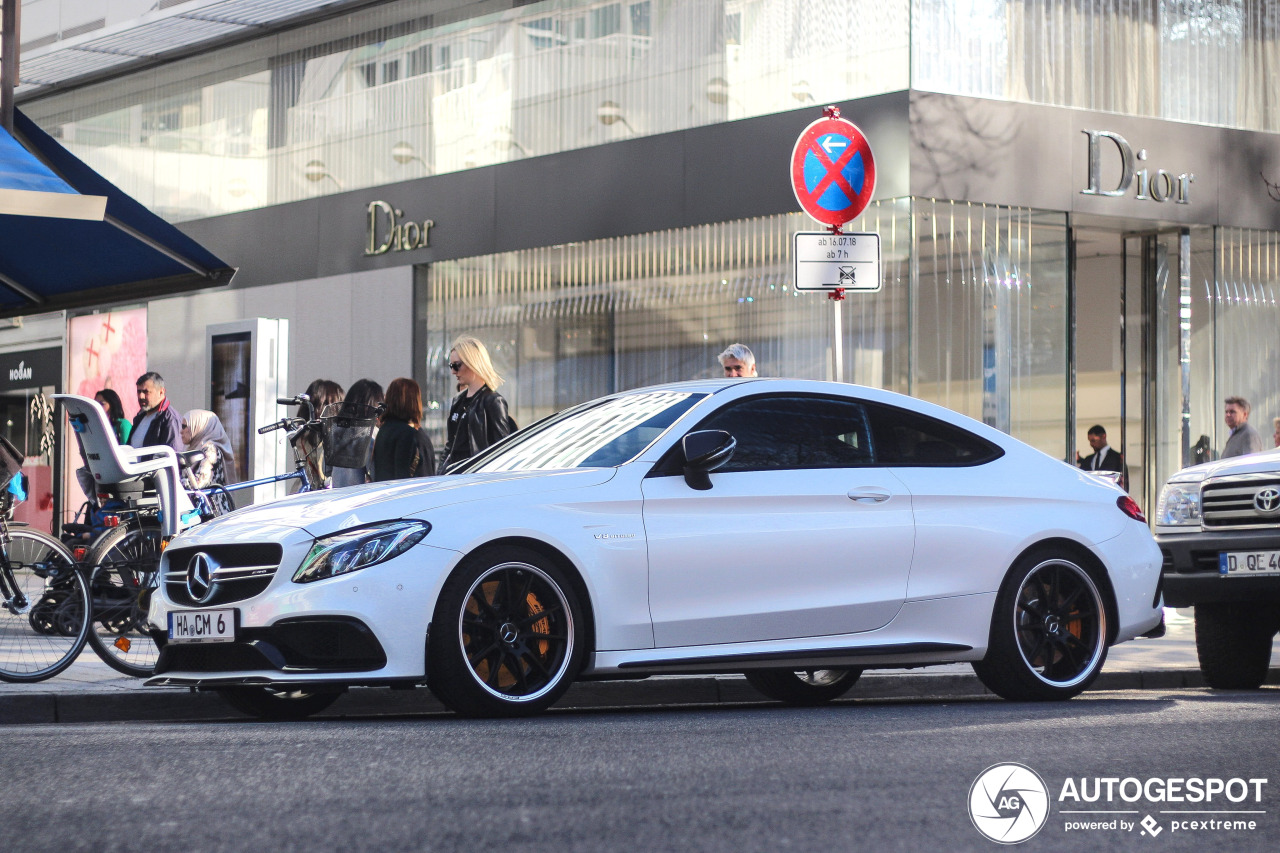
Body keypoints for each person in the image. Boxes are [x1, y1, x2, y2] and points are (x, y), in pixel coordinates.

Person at [440, 336, 514, 472]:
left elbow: (502, 449)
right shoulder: (457, 401)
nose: (453, 371)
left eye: (457, 365)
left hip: (476, 477)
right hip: (454, 477)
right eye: (451, 366)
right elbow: (450, 446)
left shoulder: (493, 402)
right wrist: (440, 473)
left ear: (472, 362)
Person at [372, 378, 436, 481]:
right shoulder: (409, 433)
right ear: (413, 402)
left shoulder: (383, 430)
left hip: (384, 493)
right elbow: (408, 476)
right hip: (408, 494)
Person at [181, 409, 237, 515]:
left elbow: (199, 482)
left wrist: (175, 481)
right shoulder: (195, 448)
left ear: (198, 426)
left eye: (184, 426)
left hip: (213, 514)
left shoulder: (211, 451)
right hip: (202, 510)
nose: (181, 431)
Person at [331, 378, 384, 488]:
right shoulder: (370, 435)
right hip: (359, 499)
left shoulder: (335, 432)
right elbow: (375, 475)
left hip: (336, 497)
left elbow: (325, 469)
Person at [295, 379, 344, 489]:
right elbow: (323, 473)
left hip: (301, 490)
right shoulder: (323, 437)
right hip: (319, 495)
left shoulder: (300, 433)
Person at [129, 371, 183, 454]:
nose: (141, 396)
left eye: (146, 392)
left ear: (161, 392)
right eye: (139, 391)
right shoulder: (140, 417)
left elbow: (173, 454)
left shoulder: (170, 419)